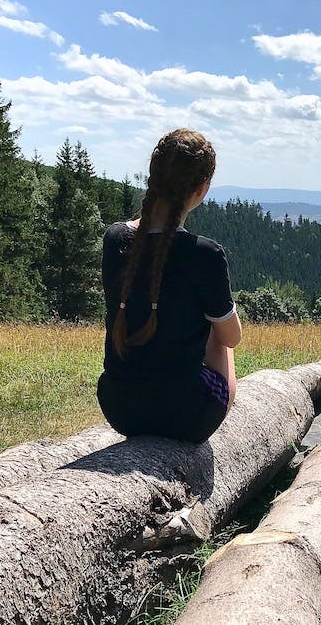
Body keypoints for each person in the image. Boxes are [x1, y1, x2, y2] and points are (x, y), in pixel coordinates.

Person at [96, 129, 241, 444]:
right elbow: (232, 337)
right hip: (188, 416)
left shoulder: (114, 239)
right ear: (201, 190)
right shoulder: (205, 253)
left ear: (152, 177)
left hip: (119, 407)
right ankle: (218, 396)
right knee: (220, 335)